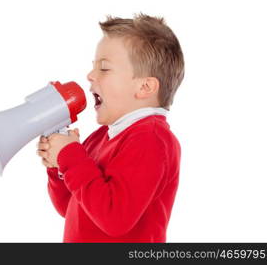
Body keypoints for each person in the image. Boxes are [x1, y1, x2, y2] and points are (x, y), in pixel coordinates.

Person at [37, 13, 184, 242]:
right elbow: (70, 208)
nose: (90, 75)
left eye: (104, 68)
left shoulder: (151, 139)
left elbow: (115, 219)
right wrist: (59, 168)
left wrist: (72, 157)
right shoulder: (100, 138)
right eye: (93, 67)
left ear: (145, 87)